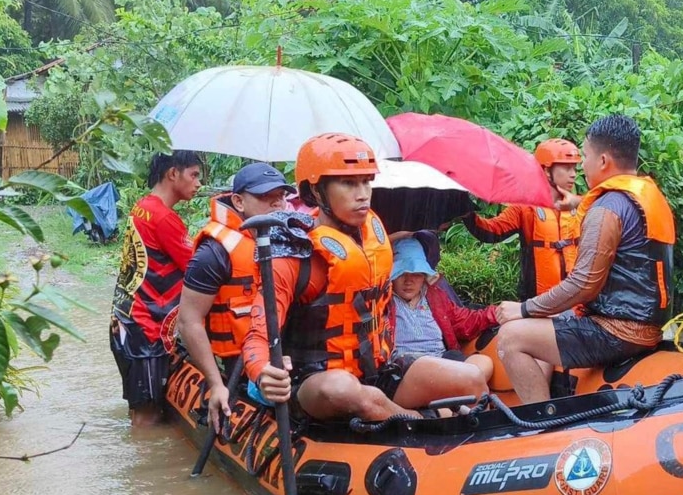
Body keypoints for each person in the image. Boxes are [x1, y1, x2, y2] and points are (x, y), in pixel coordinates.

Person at [244, 133, 487, 420]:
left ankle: (455, 434)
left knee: (469, 377)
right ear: (316, 191)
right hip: (316, 383)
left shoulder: (374, 233)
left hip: (377, 372)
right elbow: (257, 336)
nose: (362, 194)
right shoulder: (296, 255)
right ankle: (418, 422)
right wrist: (262, 370)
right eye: (348, 183)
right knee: (343, 388)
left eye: (366, 181)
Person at [493, 115, 676, 403]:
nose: (582, 168)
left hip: (616, 330)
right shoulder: (646, 195)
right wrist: (577, 202)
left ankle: (540, 422)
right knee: (548, 316)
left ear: (603, 161)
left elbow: (583, 285)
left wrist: (524, 308)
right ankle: (552, 397)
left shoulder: (607, 208)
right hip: (646, 325)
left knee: (510, 338)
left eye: (586, 157)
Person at [177, 163, 295, 432]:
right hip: (237, 365)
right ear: (239, 201)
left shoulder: (291, 242)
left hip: (278, 352)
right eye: (267, 197)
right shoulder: (214, 252)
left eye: (282, 196)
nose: (277, 204)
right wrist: (216, 384)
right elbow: (189, 321)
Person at [110, 150, 203, 426]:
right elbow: (197, 270)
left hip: (126, 321)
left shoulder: (143, 207)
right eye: (194, 175)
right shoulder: (164, 218)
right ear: (173, 173)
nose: (198, 183)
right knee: (147, 417)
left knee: (138, 408)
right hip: (147, 330)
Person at [462, 138, 583, 300]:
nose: (573, 174)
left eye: (574, 168)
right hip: (538, 302)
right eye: (567, 168)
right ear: (547, 171)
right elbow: (490, 231)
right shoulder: (525, 208)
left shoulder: (581, 205)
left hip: (575, 302)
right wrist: (466, 211)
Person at [387, 237, 497, 381]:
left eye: (416, 273)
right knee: (440, 372)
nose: (409, 281)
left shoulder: (435, 296)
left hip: (442, 358)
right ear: (392, 276)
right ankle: (455, 391)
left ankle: (452, 390)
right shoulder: (382, 302)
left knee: (483, 363)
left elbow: (465, 321)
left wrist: (499, 313)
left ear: (424, 276)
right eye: (401, 274)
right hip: (406, 366)